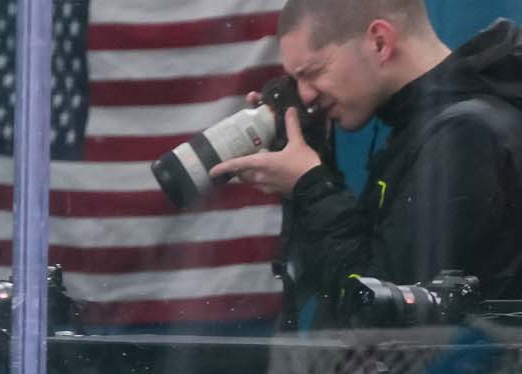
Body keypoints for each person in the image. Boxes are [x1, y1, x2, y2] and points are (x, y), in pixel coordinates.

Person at [214, 0, 522, 313]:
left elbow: (384, 310)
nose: (306, 96)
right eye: (296, 82)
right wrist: (314, 156)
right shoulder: (429, 126)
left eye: (314, 72)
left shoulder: (465, 136)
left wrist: (312, 187)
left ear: (379, 42)